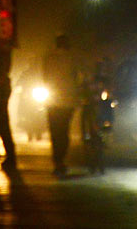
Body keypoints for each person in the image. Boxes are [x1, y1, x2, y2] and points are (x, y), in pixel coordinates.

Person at [42, 33, 80, 176]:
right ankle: (60, 159)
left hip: (53, 102)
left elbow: (45, 77)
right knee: (64, 131)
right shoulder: (72, 58)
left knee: (55, 132)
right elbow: (78, 77)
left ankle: (57, 160)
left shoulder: (49, 59)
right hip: (67, 102)